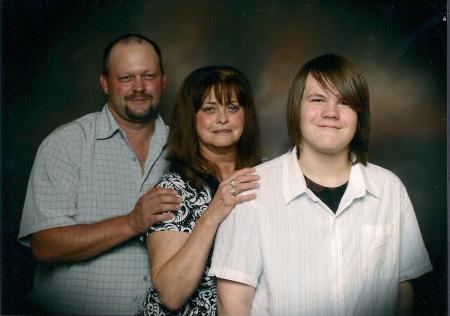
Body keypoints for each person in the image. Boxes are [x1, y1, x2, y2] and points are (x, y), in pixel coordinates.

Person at [209, 54, 433, 315]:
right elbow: (232, 304)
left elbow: (402, 291)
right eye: (318, 99)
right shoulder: (251, 190)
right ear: (296, 108)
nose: (331, 113)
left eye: (345, 102)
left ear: (359, 114)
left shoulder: (389, 189)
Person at [18, 33, 180, 315]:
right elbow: (44, 246)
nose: (139, 87)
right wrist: (132, 223)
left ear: (163, 80)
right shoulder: (67, 143)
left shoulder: (185, 150)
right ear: (105, 83)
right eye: (126, 78)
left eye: (148, 75)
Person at [136, 65, 261, 315]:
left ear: (246, 115)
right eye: (209, 109)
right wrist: (213, 214)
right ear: (191, 117)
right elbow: (171, 294)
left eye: (233, 108)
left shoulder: (265, 176)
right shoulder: (174, 190)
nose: (223, 118)